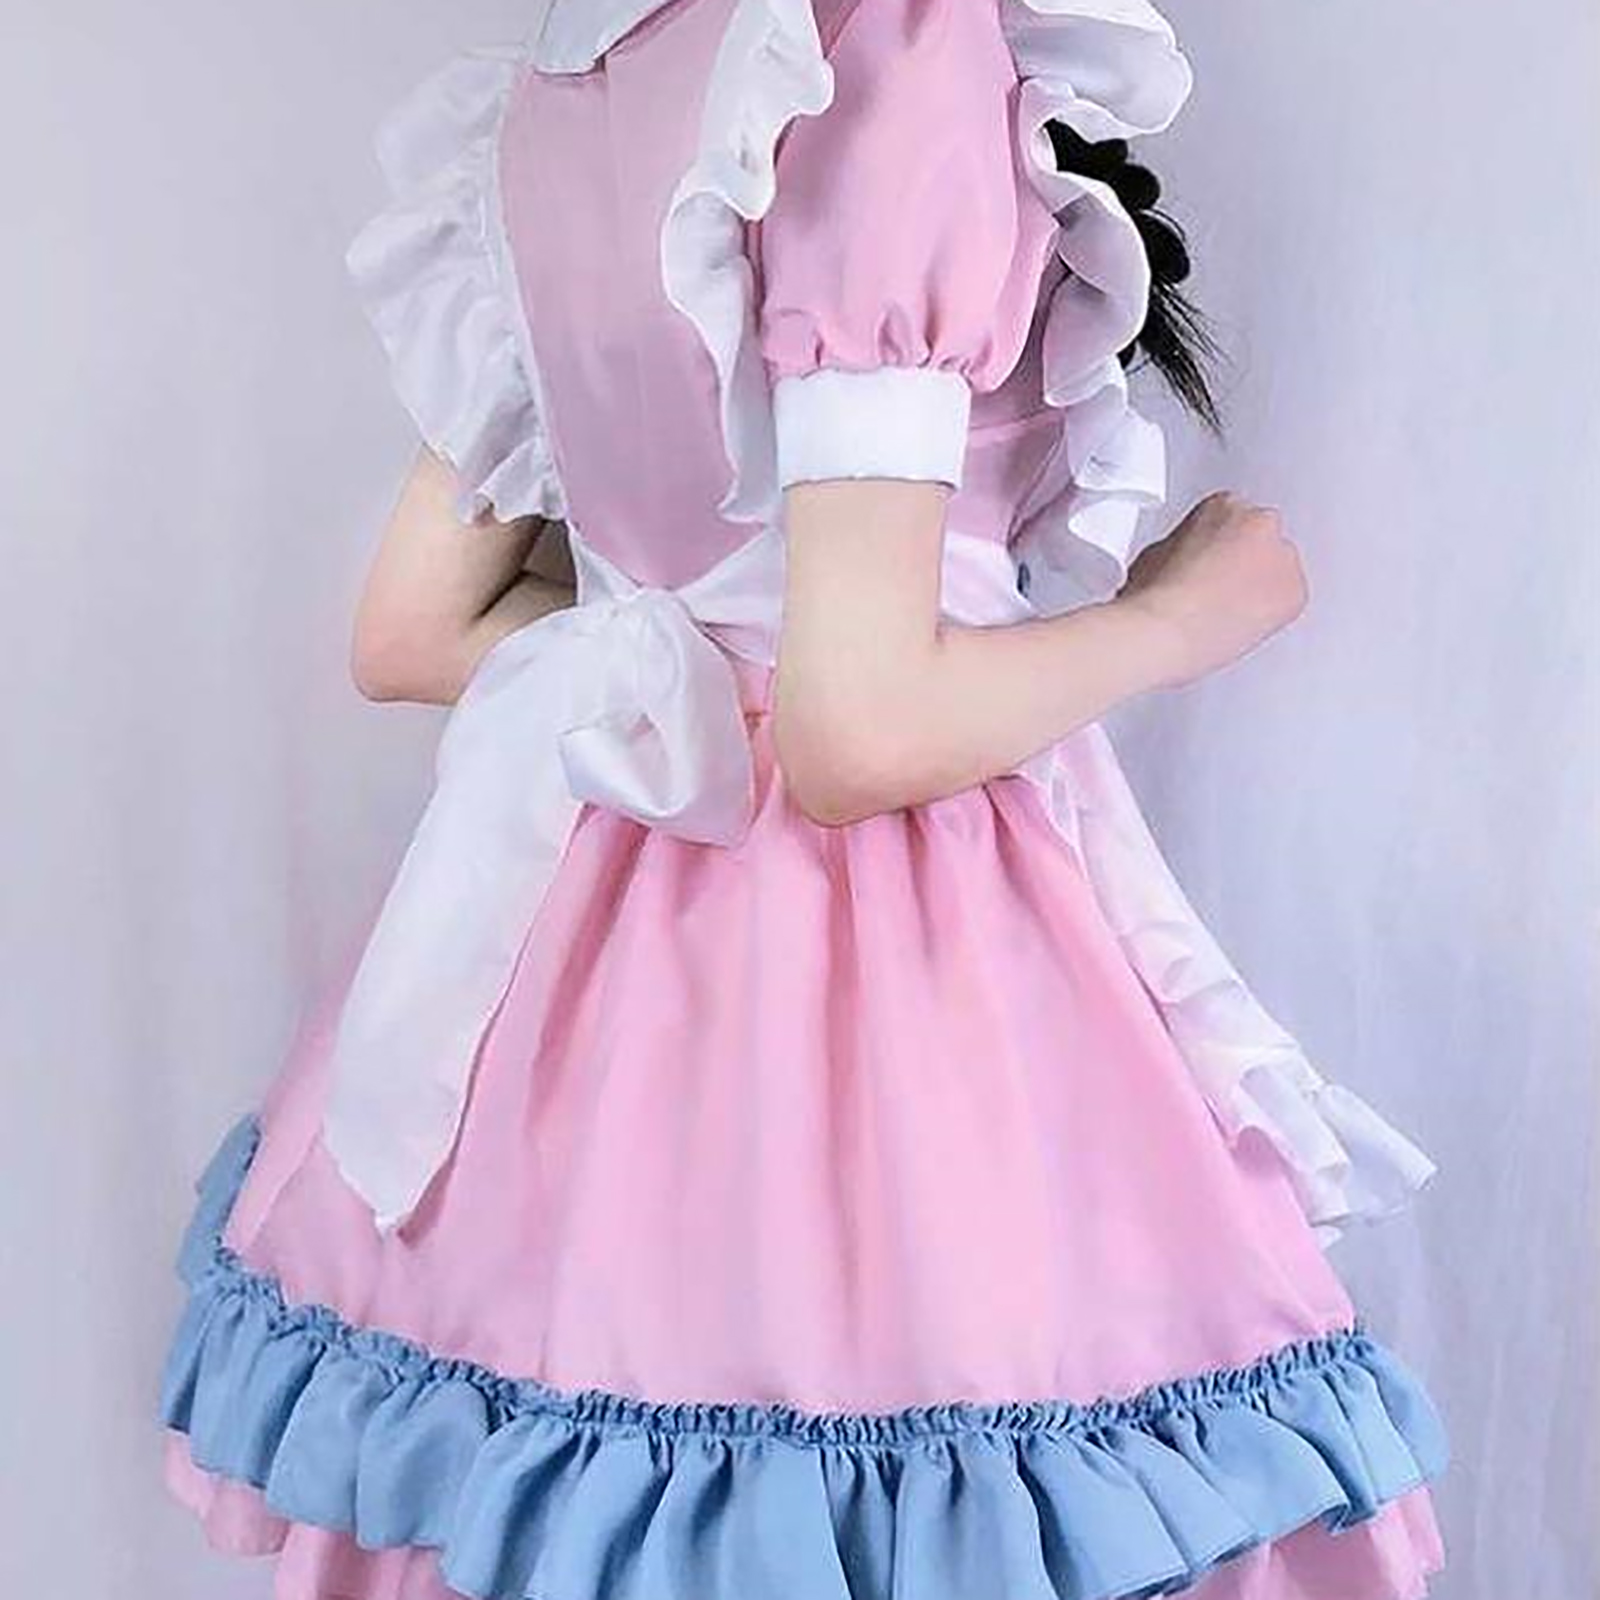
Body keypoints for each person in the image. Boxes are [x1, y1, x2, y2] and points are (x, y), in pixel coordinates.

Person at [159, 2, 1448, 1597]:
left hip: (576, 968)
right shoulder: (887, 47)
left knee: (589, 1467)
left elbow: (415, 632)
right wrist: (1184, 617)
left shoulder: (571, 73)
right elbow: (858, 734)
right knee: (926, 1473)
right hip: (893, 967)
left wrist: (706, 675)